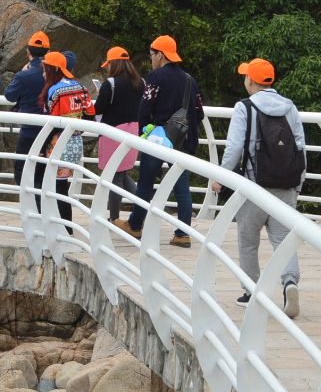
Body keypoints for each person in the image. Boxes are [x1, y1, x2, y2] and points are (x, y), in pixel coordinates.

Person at [213, 59, 305, 316]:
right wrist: (298, 184)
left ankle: (251, 290)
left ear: (251, 81)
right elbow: (300, 147)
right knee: (284, 241)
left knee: (248, 240)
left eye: (246, 77)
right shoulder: (289, 107)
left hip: (253, 186)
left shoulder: (245, 107)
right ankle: (290, 283)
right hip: (285, 185)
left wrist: (220, 176)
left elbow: (234, 148)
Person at [127, 35, 204, 247]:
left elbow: (145, 107)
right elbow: (199, 112)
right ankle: (182, 234)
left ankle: (135, 225)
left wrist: (144, 132)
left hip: (158, 139)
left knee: (145, 183)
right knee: (182, 187)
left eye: (152, 54)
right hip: (183, 141)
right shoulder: (189, 80)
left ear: (160, 55)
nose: (151, 58)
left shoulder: (156, 77)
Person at [38, 50, 92, 225]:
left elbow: (53, 124)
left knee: (57, 189)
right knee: (62, 187)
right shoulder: (80, 87)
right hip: (76, 143)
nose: (43, 73)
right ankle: (65, 228)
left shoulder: (55, 91)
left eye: (45, 69)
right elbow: (90, 115)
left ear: (53, 69)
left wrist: (41, 148)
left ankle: (64, 229)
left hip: (58, 145)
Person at [96, 48, 144, 224]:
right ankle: (143, 209)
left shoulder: (110, 84)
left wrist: (100, 96)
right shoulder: (141, 82)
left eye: (109, 64)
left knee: (114, 176)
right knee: (122, 174)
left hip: (113, 133)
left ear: (113, 64)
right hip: (133, 131)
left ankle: (115, 218)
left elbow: (98, 108)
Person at [4, 31, 51, 186]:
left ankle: (27, 197)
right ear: (48, 52)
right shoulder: (55, 74)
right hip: (50, 130)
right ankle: (40, 198)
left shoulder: (24, 76)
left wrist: (22, 72)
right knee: (43, 170)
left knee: (22, 168)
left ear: (27, 52)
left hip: (29, 130)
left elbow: (10, 96)